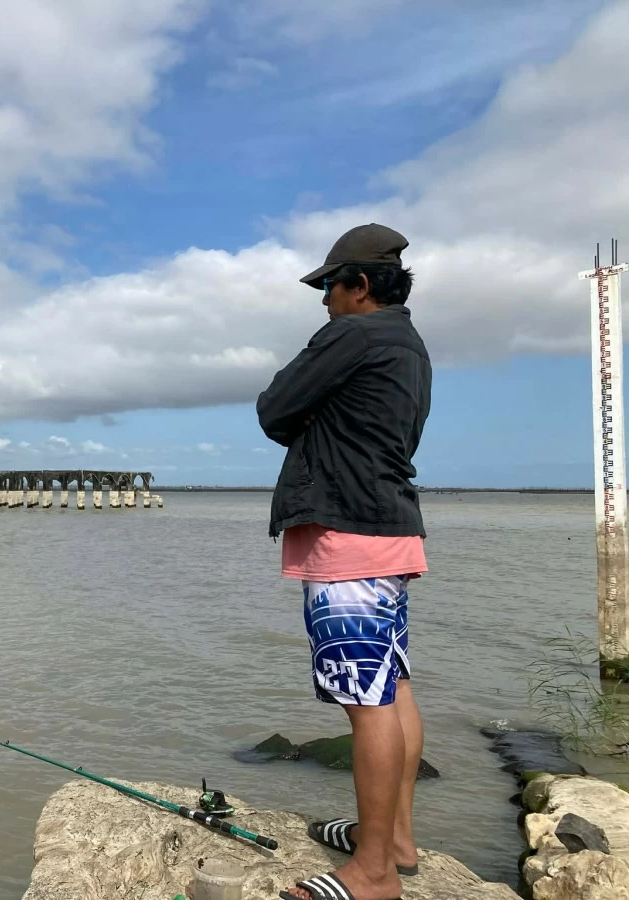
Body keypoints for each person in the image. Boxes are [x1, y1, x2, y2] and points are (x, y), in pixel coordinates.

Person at [256, 223, 432, 900]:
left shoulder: (354, 334)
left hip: (347, 538)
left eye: (330, 285)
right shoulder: (410, 346)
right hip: (389, 532)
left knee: (366, 703)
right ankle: (394, 840)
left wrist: (310, 415)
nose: (324, 300)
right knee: (393, 687)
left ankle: (373, 875)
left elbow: (275, 407)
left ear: (360, 286)